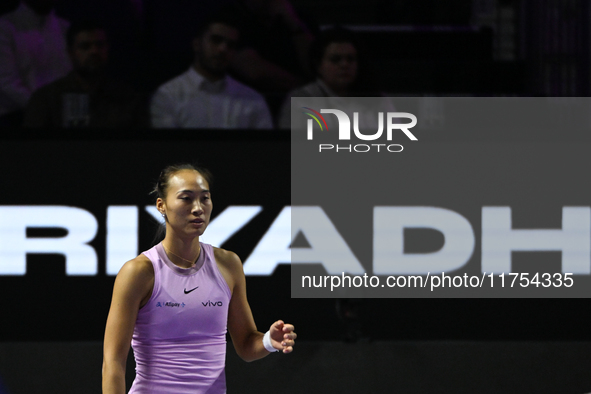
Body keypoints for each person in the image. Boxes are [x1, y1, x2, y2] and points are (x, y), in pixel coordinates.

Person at [102, 164, 296, 393]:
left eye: (205, 199)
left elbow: (245, 344)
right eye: (186, 198)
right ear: (161, 205)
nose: (198, 208)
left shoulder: (229, 264)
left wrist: (267, 341)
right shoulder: (139, 272)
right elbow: (113, 363)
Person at [150, 14, 273, 129]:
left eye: (230, 45)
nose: (223, 49)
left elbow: (264, 150)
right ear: (197, 44)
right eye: (216, 40)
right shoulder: (168, 95)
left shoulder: (253, 99)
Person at [23, 20, 148, 128]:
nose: (94, 51)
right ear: (71, 53)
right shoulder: (47, 99)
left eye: (100, 45)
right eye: (85, 46)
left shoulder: (127, 97)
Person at [0, 0, 71, 125]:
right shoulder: (5, 27)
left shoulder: (66, 28)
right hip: (15, 119)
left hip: (59, 117)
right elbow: (5, 80)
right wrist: (43, 108)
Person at [278, 27, 364, 129]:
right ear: (318, 65)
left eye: (350, 59)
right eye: (335, 59)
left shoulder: (373, 97)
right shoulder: (301, 100)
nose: (344, 65)